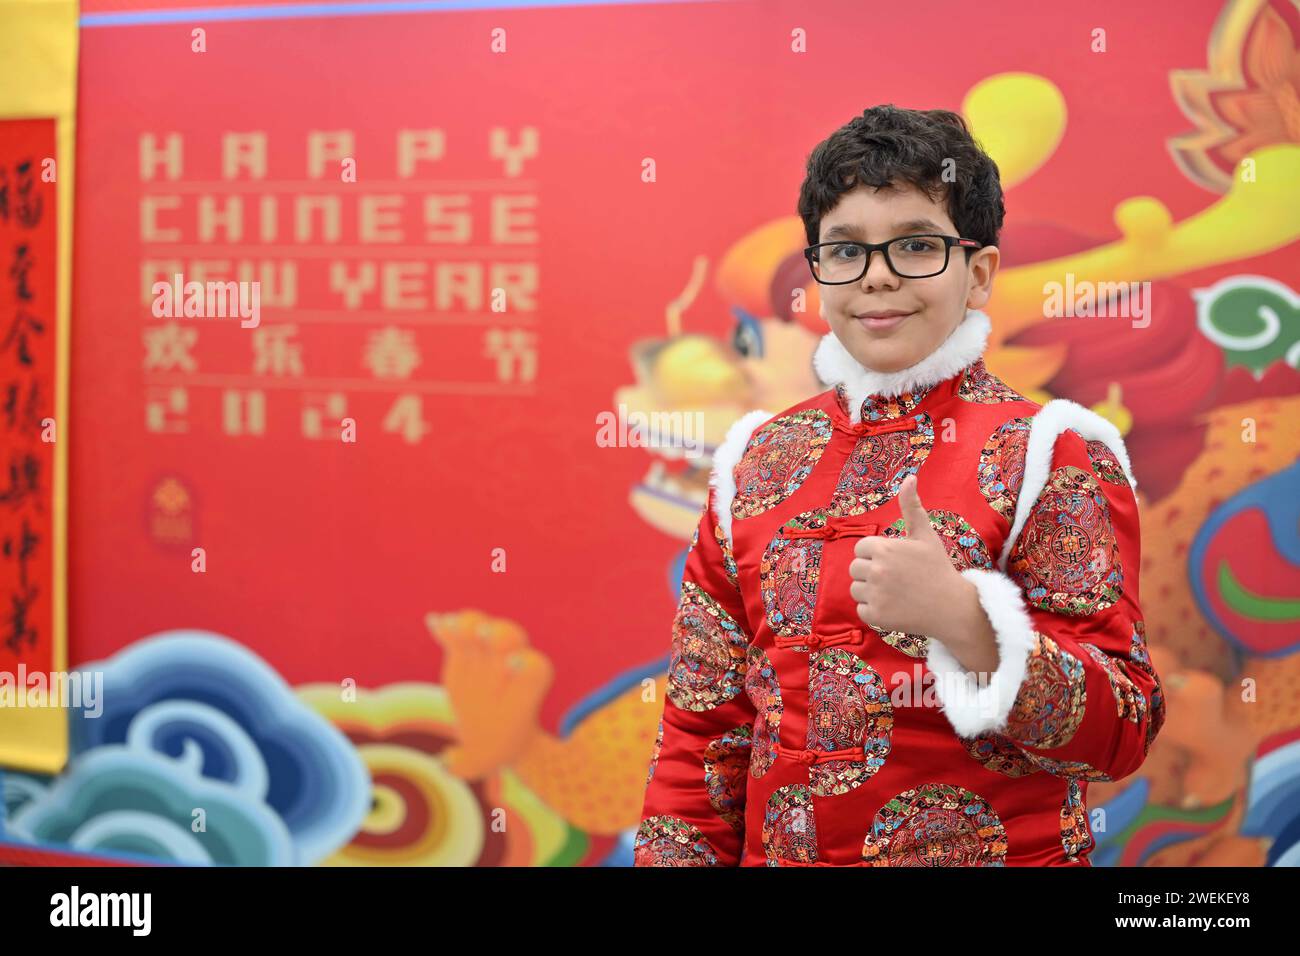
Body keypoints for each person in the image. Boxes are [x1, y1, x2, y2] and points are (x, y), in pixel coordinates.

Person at [634, 105, 1165, 866]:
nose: (877, 274)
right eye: (845, 250)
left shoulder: (1053, 451)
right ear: (819, 274)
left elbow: (1122, 731)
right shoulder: (756, 459)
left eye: (915, 245)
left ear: (977, 272)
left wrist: (967, 623)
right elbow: (702, 735)